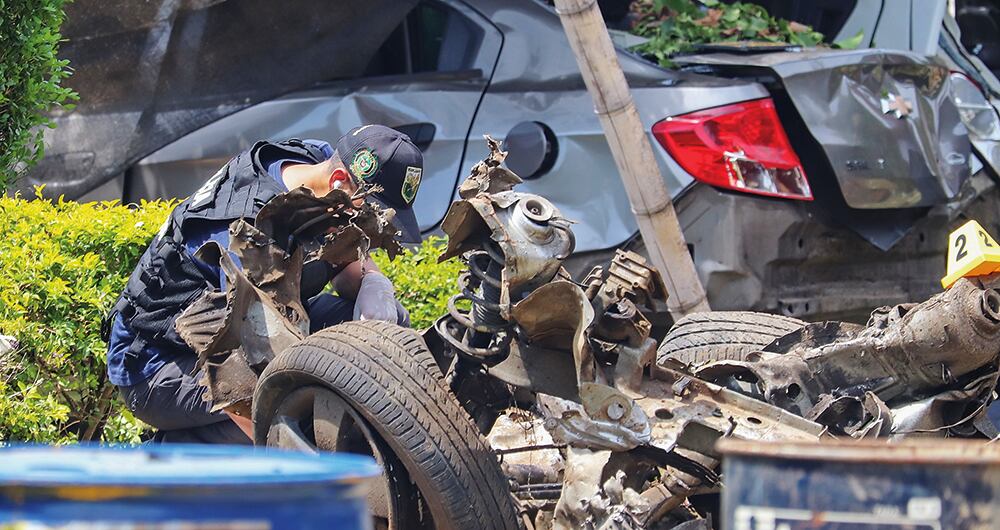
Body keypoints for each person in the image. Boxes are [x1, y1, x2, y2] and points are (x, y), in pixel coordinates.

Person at [103, 125, 424, 444]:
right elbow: (239, 372)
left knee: (385, 329)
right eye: (370, 212)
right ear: (339, 181)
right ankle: (180, 458)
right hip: (159, 363)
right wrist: (301, 460)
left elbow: (347, 253)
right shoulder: (248, 236)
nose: (374, 225)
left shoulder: (318, 161)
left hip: (262, 317)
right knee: (283, 408)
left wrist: (373, 281)